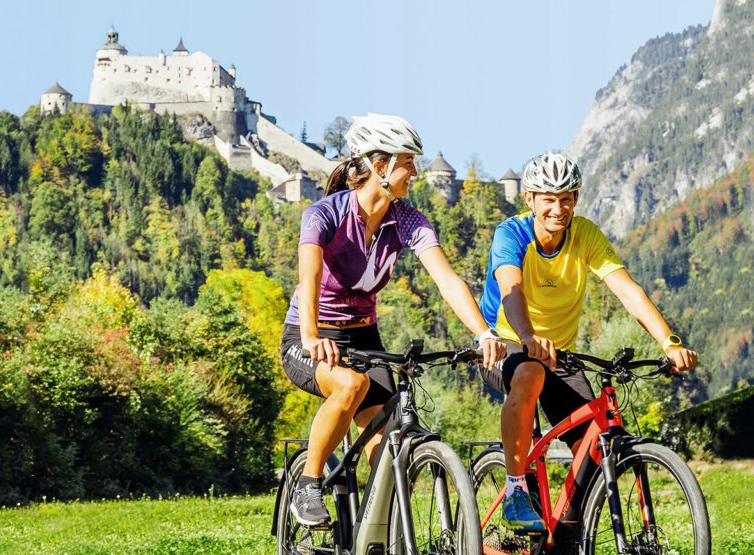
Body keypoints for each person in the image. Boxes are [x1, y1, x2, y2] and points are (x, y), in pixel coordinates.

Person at [281, 113, 506, 526]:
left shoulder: (405, 220)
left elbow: (447, 280)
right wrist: (312, 337)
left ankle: (377, 531)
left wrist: (483, 332)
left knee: (388, 442)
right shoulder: (324, 214)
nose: (415, 172)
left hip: (364, 336)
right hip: (310, 333)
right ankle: (308, 483)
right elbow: (308, 277)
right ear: (379, 166)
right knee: (349, 384)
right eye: (407, 162)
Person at [479, 152, 698, 533]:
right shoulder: (511, 234)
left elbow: (627, 290)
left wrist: (669, 341)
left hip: (559, 356)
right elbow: (511, 290)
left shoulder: (585, 235)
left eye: (566, 198)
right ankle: (516, 491)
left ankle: (567, 528)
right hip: (505, 344)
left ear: (576, 199)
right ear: (529, 198)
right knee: (529, 372)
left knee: (594, 447)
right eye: (548, 198)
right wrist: (528, 337)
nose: (558, 208)